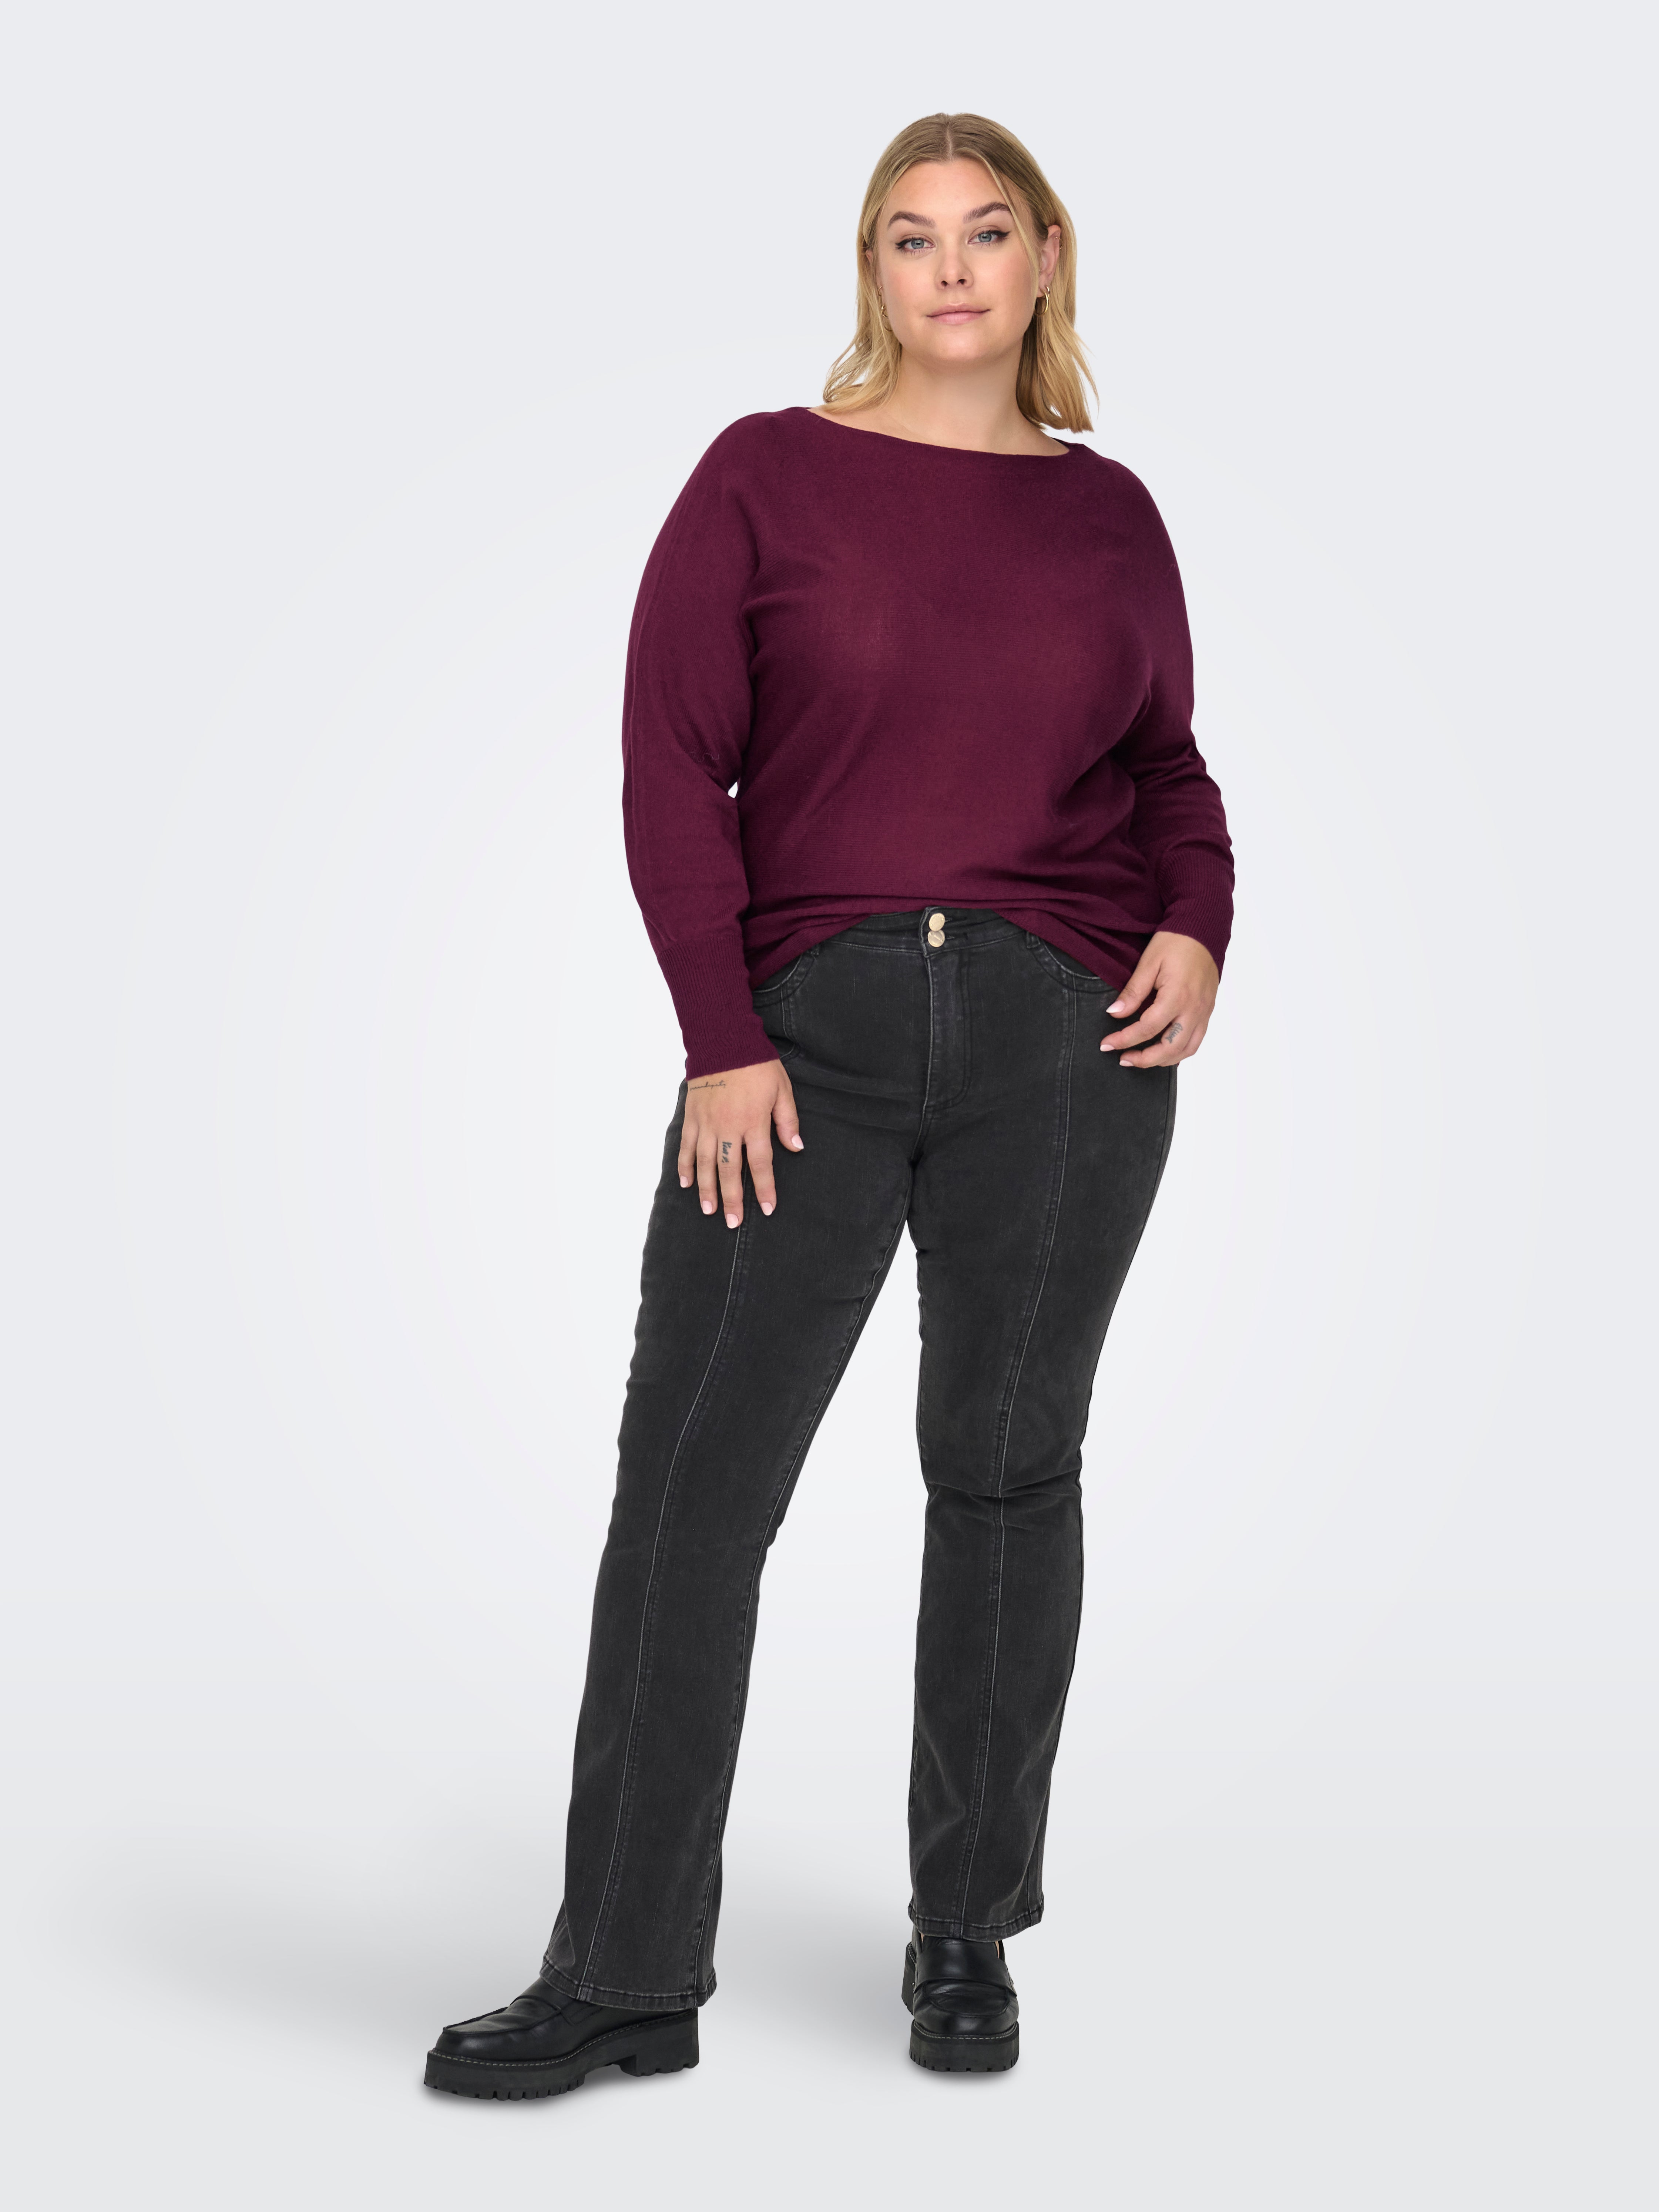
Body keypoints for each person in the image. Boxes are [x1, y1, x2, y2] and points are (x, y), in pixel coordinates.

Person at [423, 108, 1232, 2098]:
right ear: (870, 271)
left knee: (1005, 1468)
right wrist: (721, 1036)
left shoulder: (1110, 515)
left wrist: (1199, 924)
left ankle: (966, 1933)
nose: (950, 267)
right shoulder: (764, 476)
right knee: (695, 1493)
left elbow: (1168, 769)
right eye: (908, 236)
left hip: (1068, 1047)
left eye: (987, 231)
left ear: (1043, 261)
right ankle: (625, 1970)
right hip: (803, 1049)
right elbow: (668, 765)